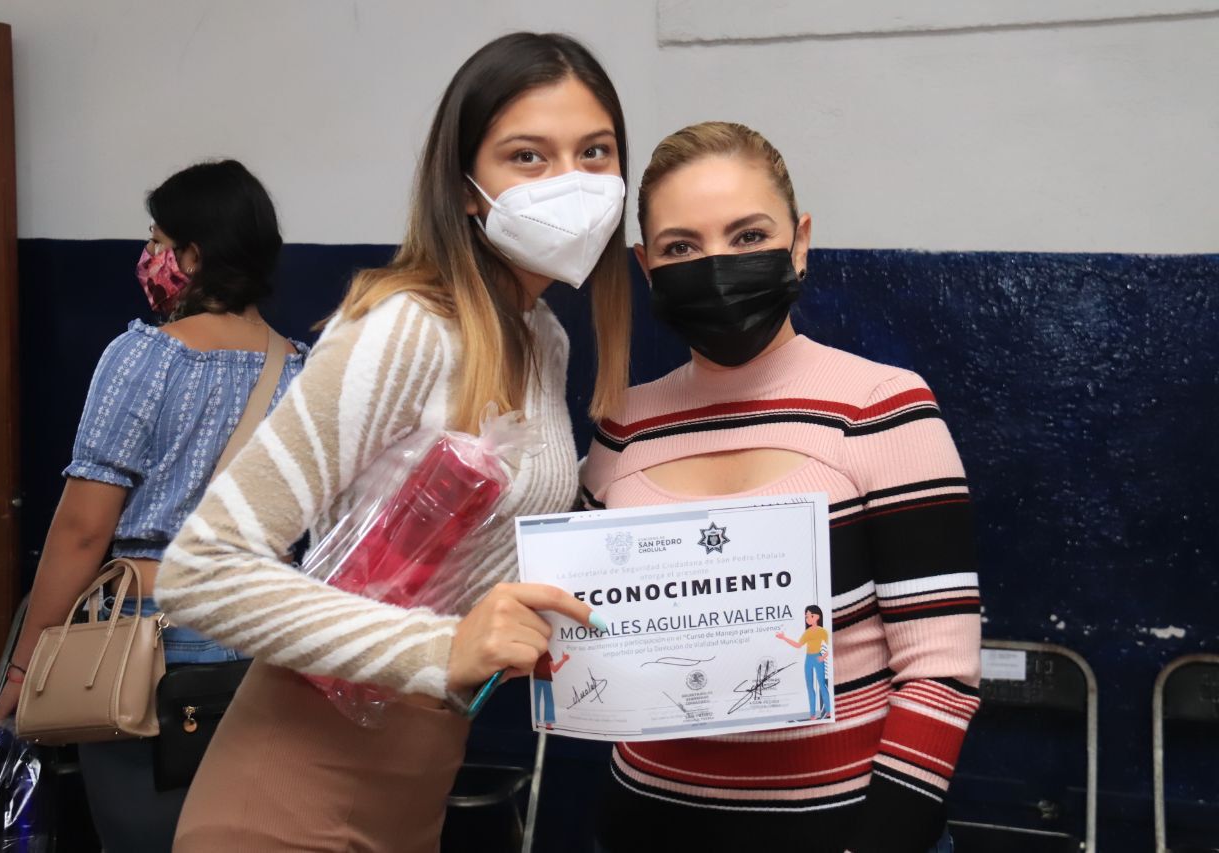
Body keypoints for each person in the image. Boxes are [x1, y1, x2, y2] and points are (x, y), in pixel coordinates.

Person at [154, 32, 630, 851]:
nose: (571, 183)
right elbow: (201, 572)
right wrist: (444, 646)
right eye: (528, 155)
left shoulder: (541, 336)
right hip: (291, 786)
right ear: (470, 189)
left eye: (595, 152)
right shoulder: (408, 326)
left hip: (418, 778)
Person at [581, 122, 980, 853]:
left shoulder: (884, 408)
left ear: (798, 242)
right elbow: (579, 635)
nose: (717, 265)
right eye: (681, 248)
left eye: (747, 235)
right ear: (646, 266)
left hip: (845, 833)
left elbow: (941, 672)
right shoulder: (620, 425)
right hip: (644, 824)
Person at [0, 159, 307, 852]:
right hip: (266, 640)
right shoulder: (303, 372)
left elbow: (80, 530)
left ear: (194, 255)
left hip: (146, 641)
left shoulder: (144, 358)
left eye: (159, 241)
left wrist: (23, 666)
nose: (151, 257)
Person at [776, 604, 831, 718]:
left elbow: (829, 648)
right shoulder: (807, 632)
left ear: (817, 617)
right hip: (809, 659)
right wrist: (784, 638)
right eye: (806, 616)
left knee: (822, 685)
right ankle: (812, 714)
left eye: (810, 615)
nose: (808, 618)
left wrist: (823, 656)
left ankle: (829, 710)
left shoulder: (823, 631)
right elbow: (798, 645)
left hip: (818, 658)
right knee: (810, 687)